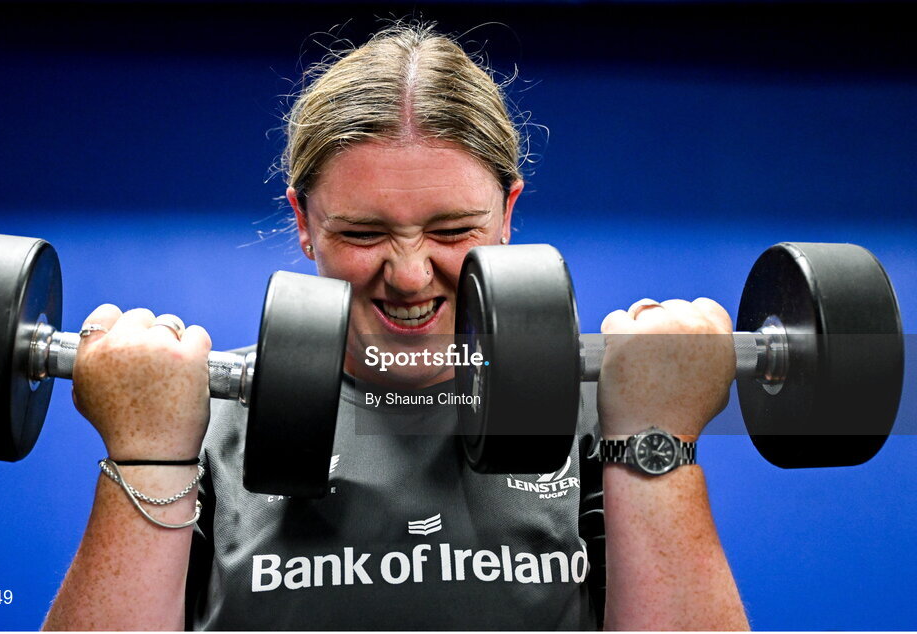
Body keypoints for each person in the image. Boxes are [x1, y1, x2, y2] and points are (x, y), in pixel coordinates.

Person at [42, 23, 748, 630]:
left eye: (452, 229)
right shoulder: (198, 418)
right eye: (363, 231)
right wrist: (144, 450)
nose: (409, 274)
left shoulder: (615, 416)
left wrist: (659, 437)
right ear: (303, 223)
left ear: (507, 214)